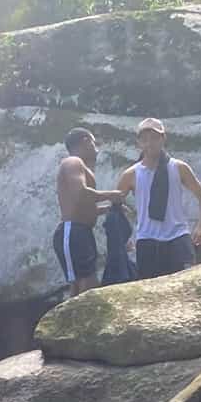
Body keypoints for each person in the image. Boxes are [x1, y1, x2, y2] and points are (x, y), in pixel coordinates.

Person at [115, 118, 201, 279]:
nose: (150, 143)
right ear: (139, 143)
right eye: (145, 139)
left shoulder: (179, 168)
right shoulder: (131, 174)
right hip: (147, 240)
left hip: (178, 236)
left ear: (163, 138)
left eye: (154, 138)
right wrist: (123, 236)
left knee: (187, 285)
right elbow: (116, 206)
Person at [52, 127, 121, 296]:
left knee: (79, 285)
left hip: (80, 232)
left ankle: (72, 322)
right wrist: (111, 195)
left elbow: (82, 206)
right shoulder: (73, 162)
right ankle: (81, 322)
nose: (96, 149)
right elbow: (81, 193)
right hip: (73, 232)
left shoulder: (79, 165)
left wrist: (107, 209)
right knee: (88, 284)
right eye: (94, 143)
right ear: (86, 141)